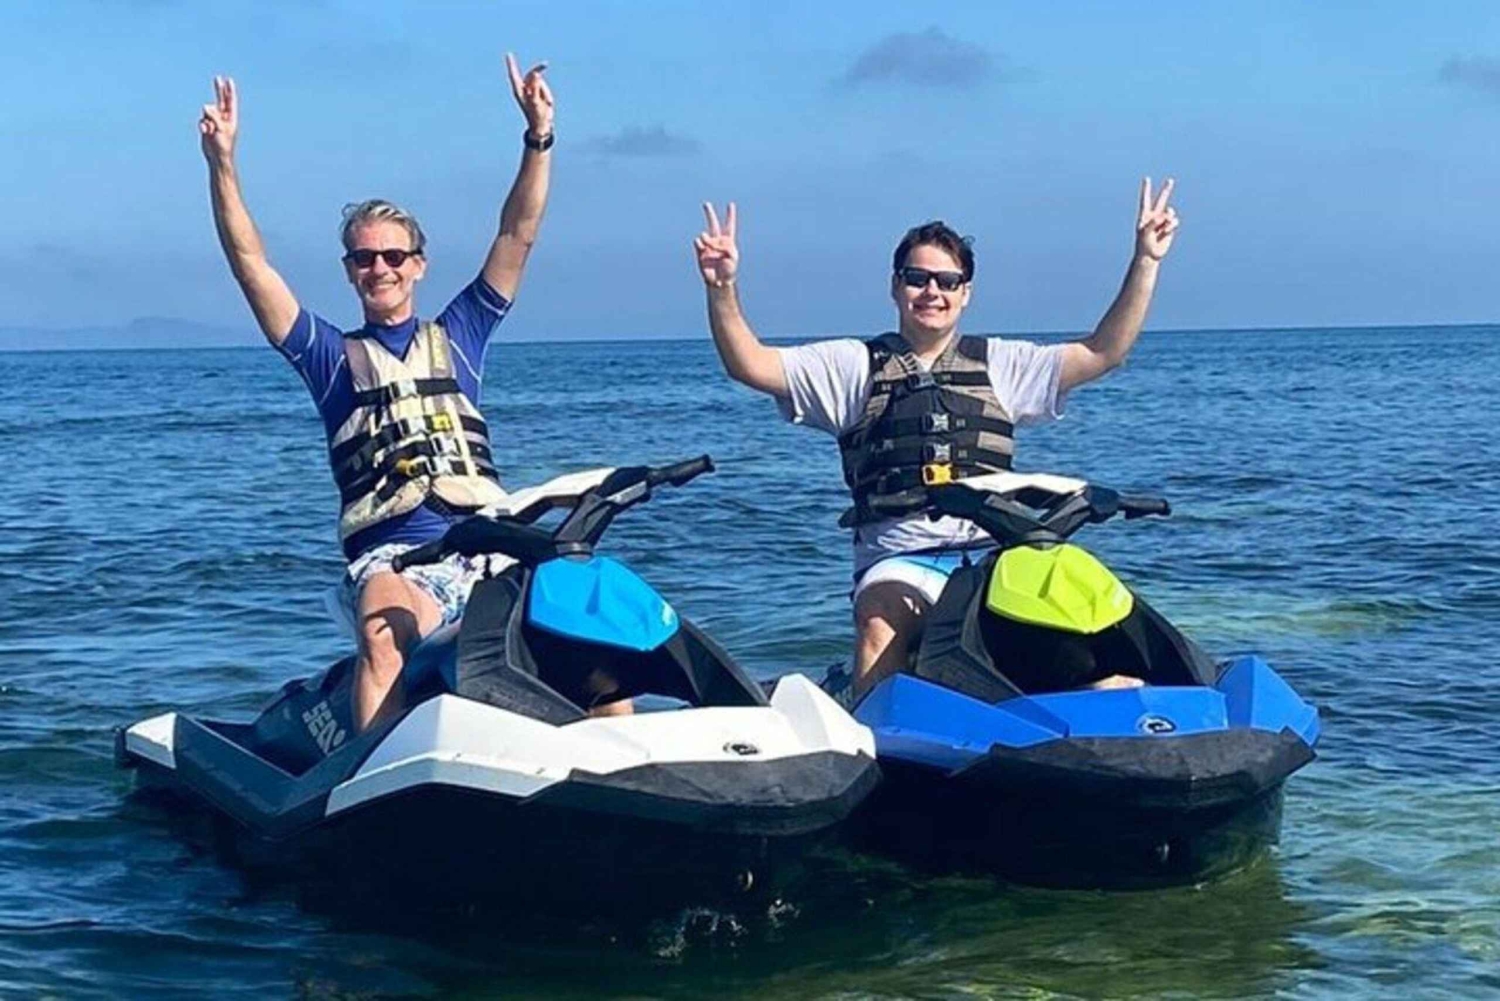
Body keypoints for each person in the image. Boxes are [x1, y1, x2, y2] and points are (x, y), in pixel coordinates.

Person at [199, 56, 580, 729]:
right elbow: (250, 263)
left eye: (394, 256)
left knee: (586, 620)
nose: (381, 268)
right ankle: (372, 767)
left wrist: (538, 135)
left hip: (489, 548)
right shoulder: (328, 357)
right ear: (350, 271)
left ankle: (619, 756)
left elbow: (517, 233)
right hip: (396, 563)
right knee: (383, 629)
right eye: (365, 258)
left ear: (418, 265)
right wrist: (222, 164)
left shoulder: (462, 334)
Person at [693, 181, 1181, 700]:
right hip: (902, 562)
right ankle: (877, 727)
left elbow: (1104, 352)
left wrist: (1146, 261)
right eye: (918, 278)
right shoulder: (853, 366)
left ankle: (1109, 703)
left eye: (948, 281)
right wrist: (722, 288)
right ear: (896, 286)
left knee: (1077, 609)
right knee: (881, 615)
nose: (932, 292)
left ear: (965, 292)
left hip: (995, 556)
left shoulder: (1002, 364)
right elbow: (751, 364)